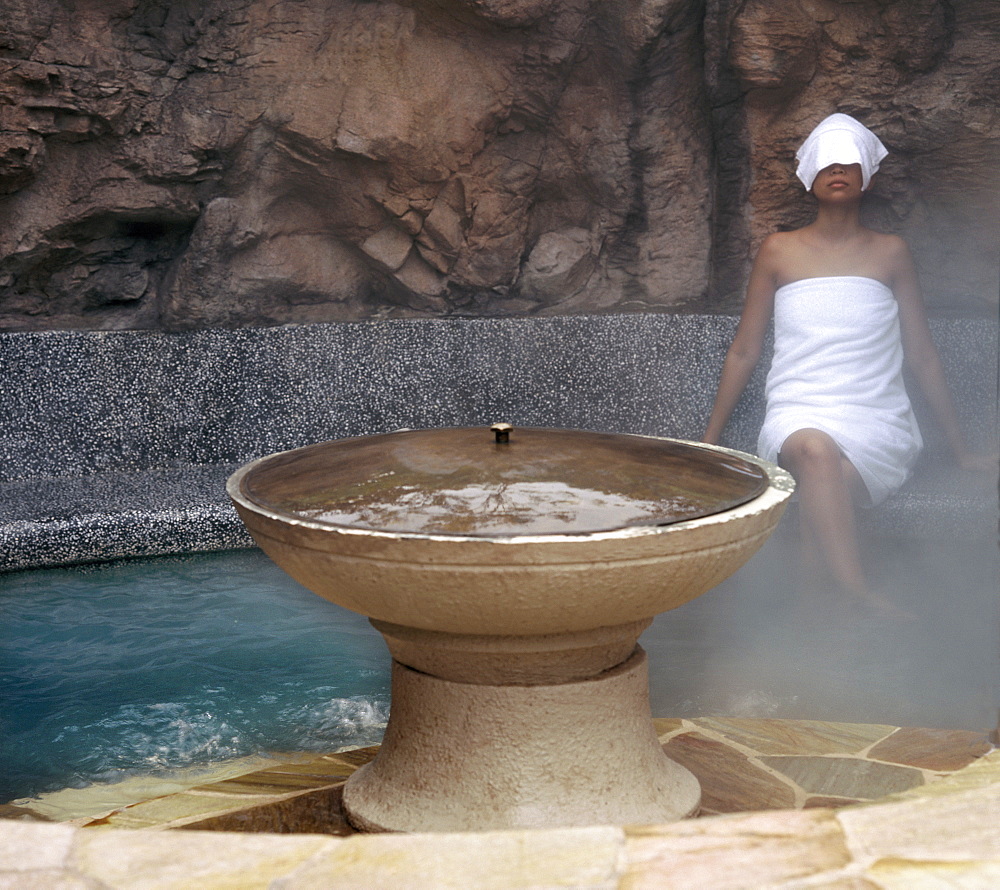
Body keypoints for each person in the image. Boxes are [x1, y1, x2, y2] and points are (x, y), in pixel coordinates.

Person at [702, 112, 991, 615]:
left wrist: (962, 451)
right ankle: (856, 590)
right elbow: (745, 350)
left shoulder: (891, 253)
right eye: (827, 163)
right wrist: (709, 440)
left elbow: (921, 353)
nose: (838, 171)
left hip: (875, 418)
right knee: (817, 454)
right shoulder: (778, 251)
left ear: (867, 177)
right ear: (810, 177)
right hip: (799, 413)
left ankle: (813, 620)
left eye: (849, 162)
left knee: (826, 490)